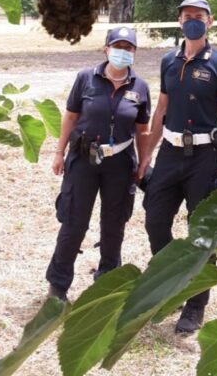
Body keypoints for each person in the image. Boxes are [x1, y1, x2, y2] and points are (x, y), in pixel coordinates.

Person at [137, 0, 217, 334]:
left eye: (199, 16)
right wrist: (147, 155)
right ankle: (174, 281)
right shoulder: (169, 61)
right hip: (169, 152)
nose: (192, 20)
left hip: (204, 158)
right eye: (186, 16)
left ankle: (195, 305)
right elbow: (161, 109)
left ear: (210, 22)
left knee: (202, 233)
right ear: (179, 21)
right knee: (155, 222)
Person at [46, 26, 150, 300]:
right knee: (74, 221)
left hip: (120, 163)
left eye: (128, 48)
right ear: (106, 49)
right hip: (83, 159)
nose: (122, 52)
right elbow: (70, 117)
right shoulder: (85, 78)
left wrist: (143, 162)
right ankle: (58, 285)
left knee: (114, 223)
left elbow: (143, 129)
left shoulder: (140, 87)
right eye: (118, 46)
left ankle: (107, 282)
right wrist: (59, 151)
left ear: (134, 52)